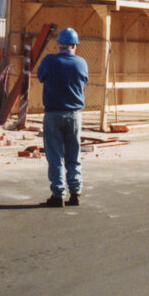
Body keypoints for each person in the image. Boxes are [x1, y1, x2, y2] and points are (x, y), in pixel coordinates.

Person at [36, 27, 88, 207]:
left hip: (53, 114)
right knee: (73, 154)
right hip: (74, 114)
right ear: (75, 45)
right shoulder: (81, 63)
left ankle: (58, 194)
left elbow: (40, 77)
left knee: (55, 155)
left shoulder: (50, 61)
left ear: (58, 45)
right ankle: (76, 191)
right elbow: (84, 81)